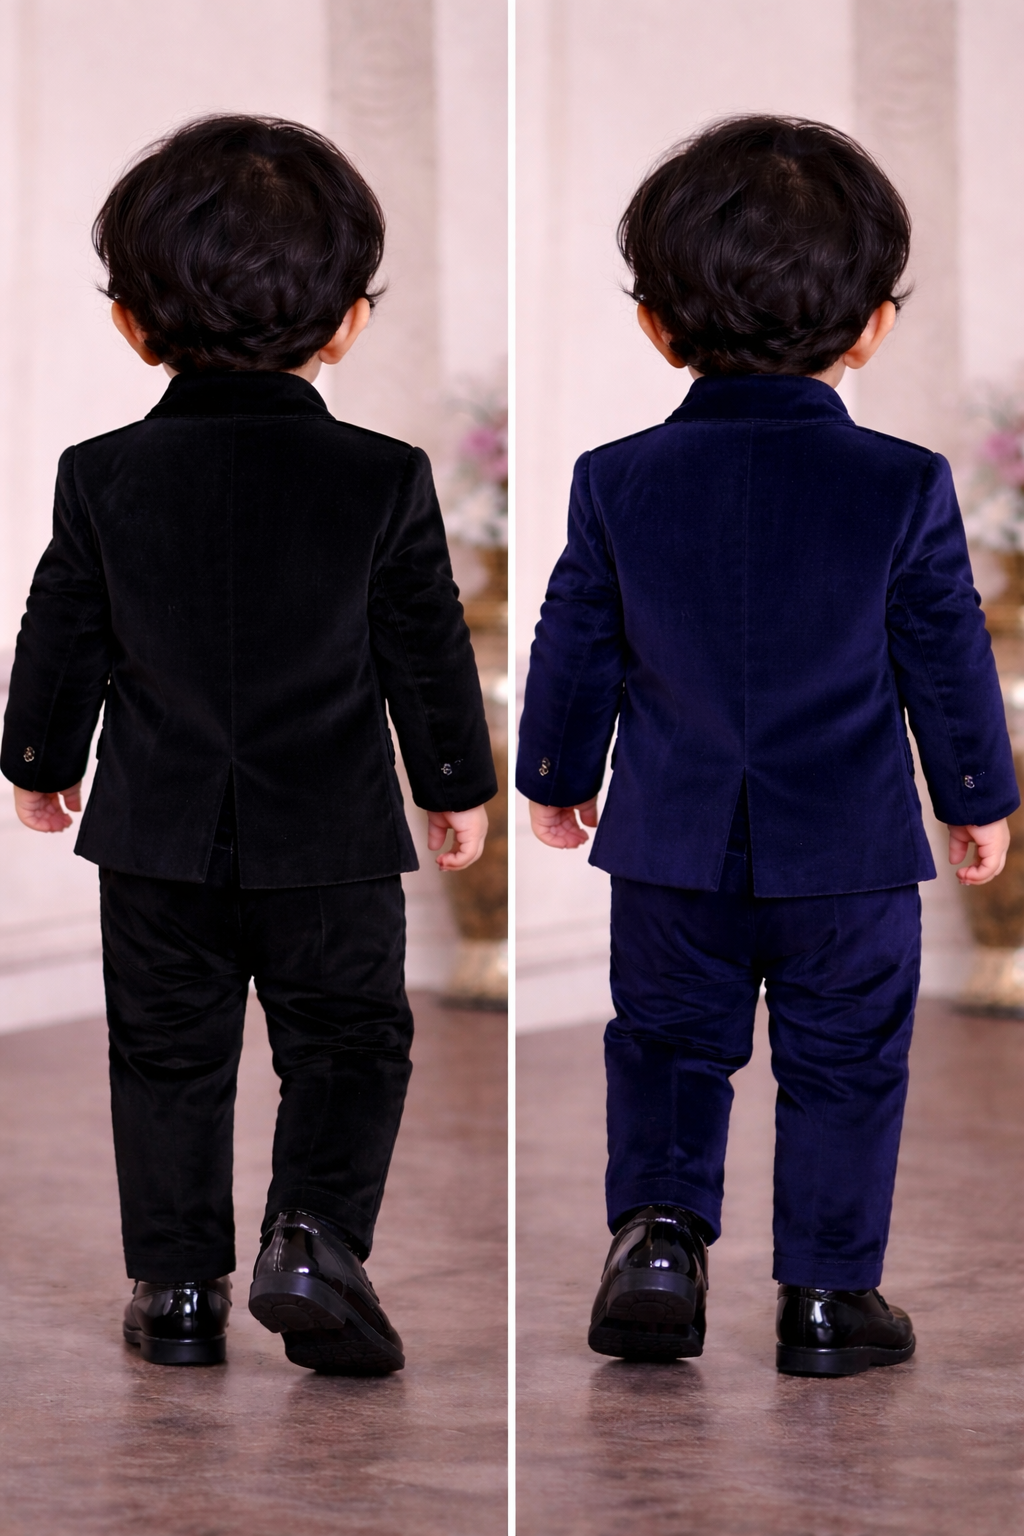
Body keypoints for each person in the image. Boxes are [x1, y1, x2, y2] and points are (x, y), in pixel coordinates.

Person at [517, 115, 1017, 1377]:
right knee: (846, 1063)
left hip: (670, 844)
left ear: (656, 323)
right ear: (872, 326)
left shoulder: (615, 478)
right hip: (849, 853)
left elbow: (575, 636)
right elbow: (944, 649)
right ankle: (827, 1301)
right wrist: (974, 795)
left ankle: (658, 1247)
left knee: (666, 1044)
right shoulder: (902, 483)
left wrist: (555, 776)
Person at [1, 115, 496, 1375]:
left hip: (155, 835)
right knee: (348, 1043)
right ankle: (312, 1237)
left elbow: (61, 627)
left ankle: (176, 1292)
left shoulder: (101, 473)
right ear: (348, 322)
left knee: (165, 1054)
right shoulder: (381, 476)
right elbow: (424, 643)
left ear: (133, 322)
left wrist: (39, 761)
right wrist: (453, 783)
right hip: (332, 835)